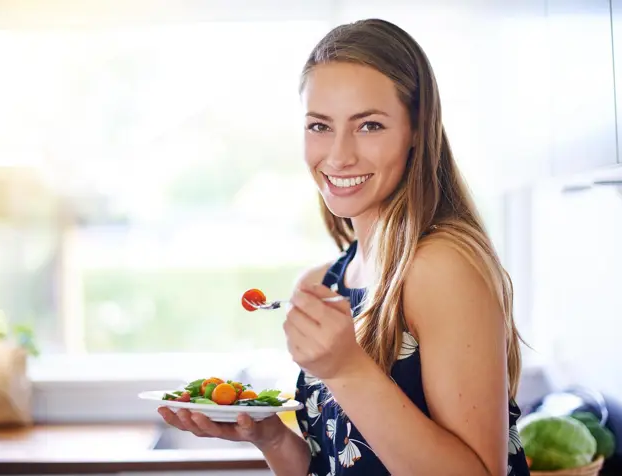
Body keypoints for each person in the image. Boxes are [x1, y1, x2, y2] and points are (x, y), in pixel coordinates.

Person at [158, 18, 530, 476]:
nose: (338, 155)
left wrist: (346, 370)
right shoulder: (324, 281)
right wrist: (271, 437)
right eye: (319, 126)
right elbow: (332, 465)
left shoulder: (440, 266)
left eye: (369, 125)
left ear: (417, 129)